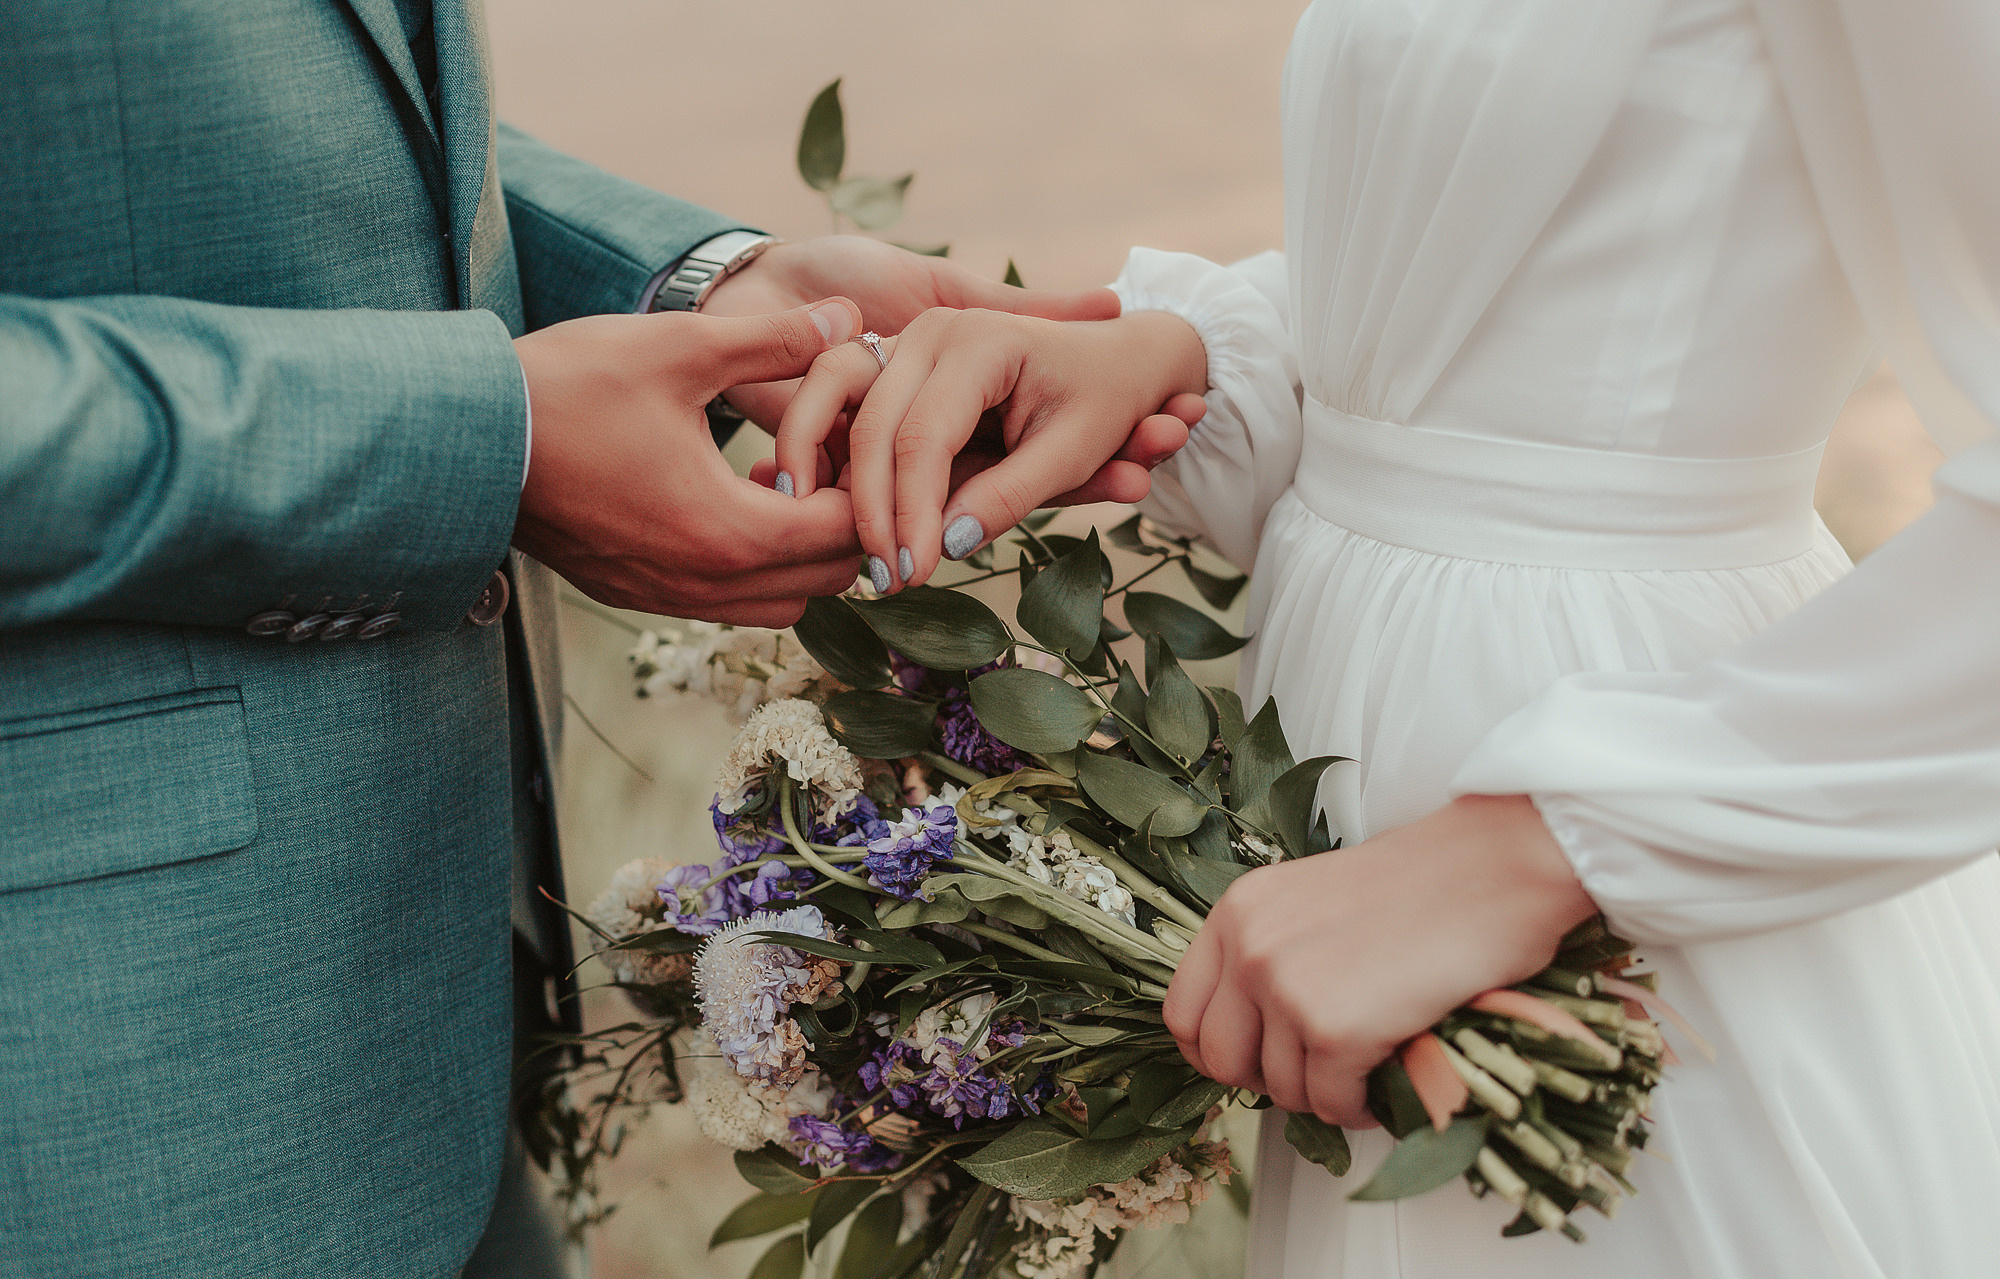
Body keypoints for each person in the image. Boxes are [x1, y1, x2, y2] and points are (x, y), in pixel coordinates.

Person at [773, 0, 2000, 1274]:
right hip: (1376, 826)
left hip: (1624, 846)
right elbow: (1536, 268)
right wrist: (1186, 370)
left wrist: (1535, 850)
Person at [0, 4, 1195, 1277]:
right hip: (95, 1073)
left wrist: (702, 290)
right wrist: (479, 443)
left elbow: (341, 122)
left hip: (419, 1028)